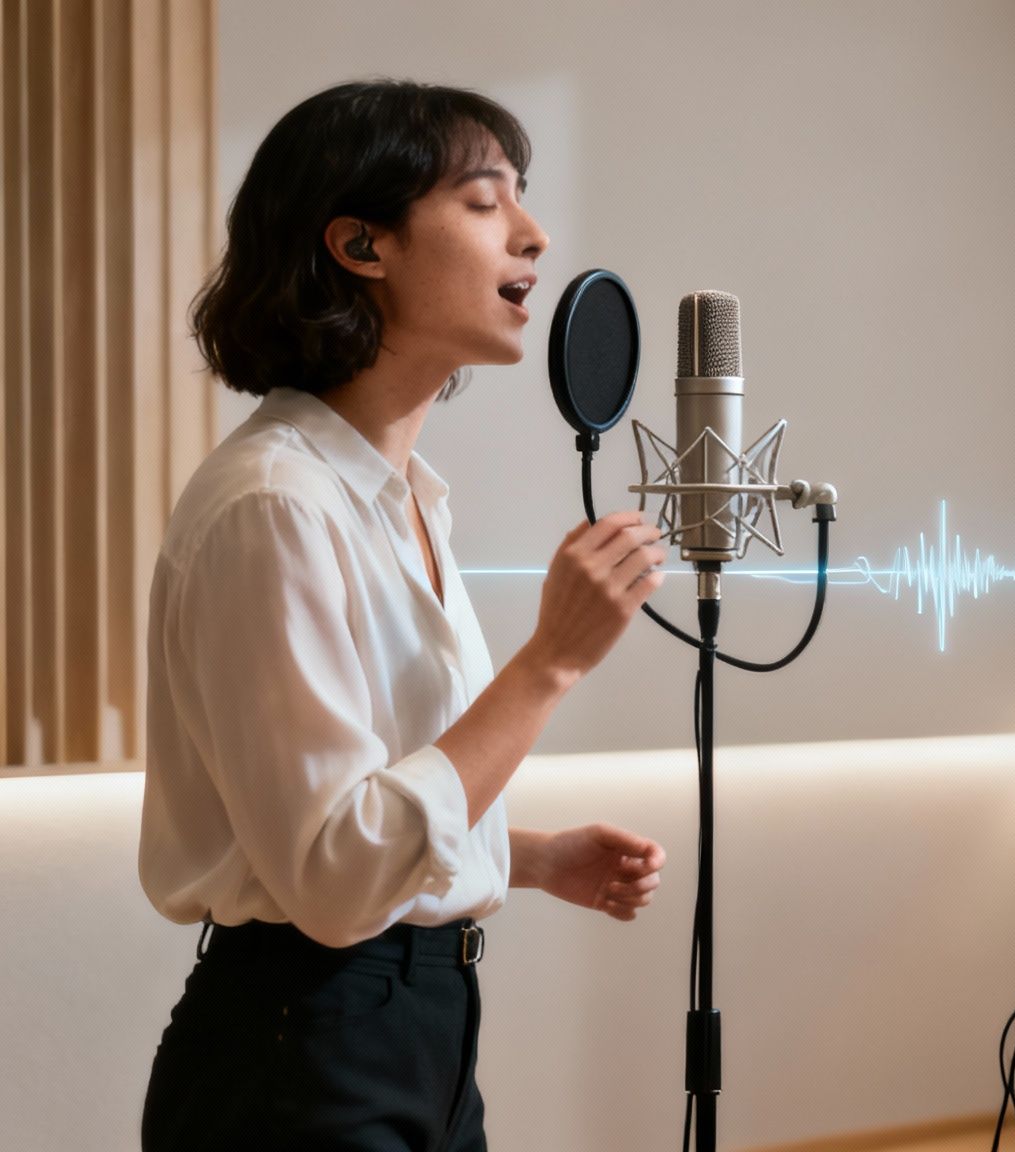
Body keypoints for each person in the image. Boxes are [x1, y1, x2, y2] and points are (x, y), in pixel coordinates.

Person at [138, 80, 670, 1151]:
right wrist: (549, 664)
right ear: (360, 245)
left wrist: (522, 857)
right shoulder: (275, 506)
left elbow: (343, 815)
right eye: (484, 201)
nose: (532, 232)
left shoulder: (400, 500)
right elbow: (333, 881)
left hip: (421, 1032)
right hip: (303, 1050)